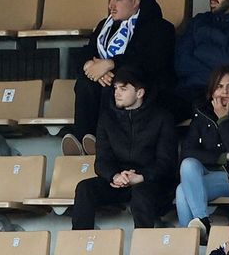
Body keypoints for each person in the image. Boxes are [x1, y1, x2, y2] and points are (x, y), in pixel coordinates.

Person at [66, 0, 177, 148]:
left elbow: (151, 62)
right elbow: (87, 52)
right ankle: (83, 142)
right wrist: (90, 65)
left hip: (146, 91)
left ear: (135, 2)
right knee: (84, 85)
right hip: (106, 84)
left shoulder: (160, 27)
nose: (111, 6)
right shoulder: (105, 26)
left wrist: (111, 64)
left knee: (112, 89)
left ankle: (104, 144)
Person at [70, 68, 177, 230]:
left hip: (151, 182)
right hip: (119, 181)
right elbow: (102, 161)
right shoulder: (107, 118)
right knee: (85, 189)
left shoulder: (162, 118)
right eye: (115, 88)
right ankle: (78, 243)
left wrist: (141, 177)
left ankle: (142, 248)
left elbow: (166, 162)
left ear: (139, 92)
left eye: (123, 88)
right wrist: (114, 176)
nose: (117, 93)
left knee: (141, 193)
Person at [176, 65, 229, 232]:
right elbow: (187, 151)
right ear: (211, 91)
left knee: (182, 191)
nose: (224, 91)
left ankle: (190, 239)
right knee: (188, 164)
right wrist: (222, 157)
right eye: (219, 86)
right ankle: (202, 220)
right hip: (203, 173)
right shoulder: (202, 113)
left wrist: (223, 119)